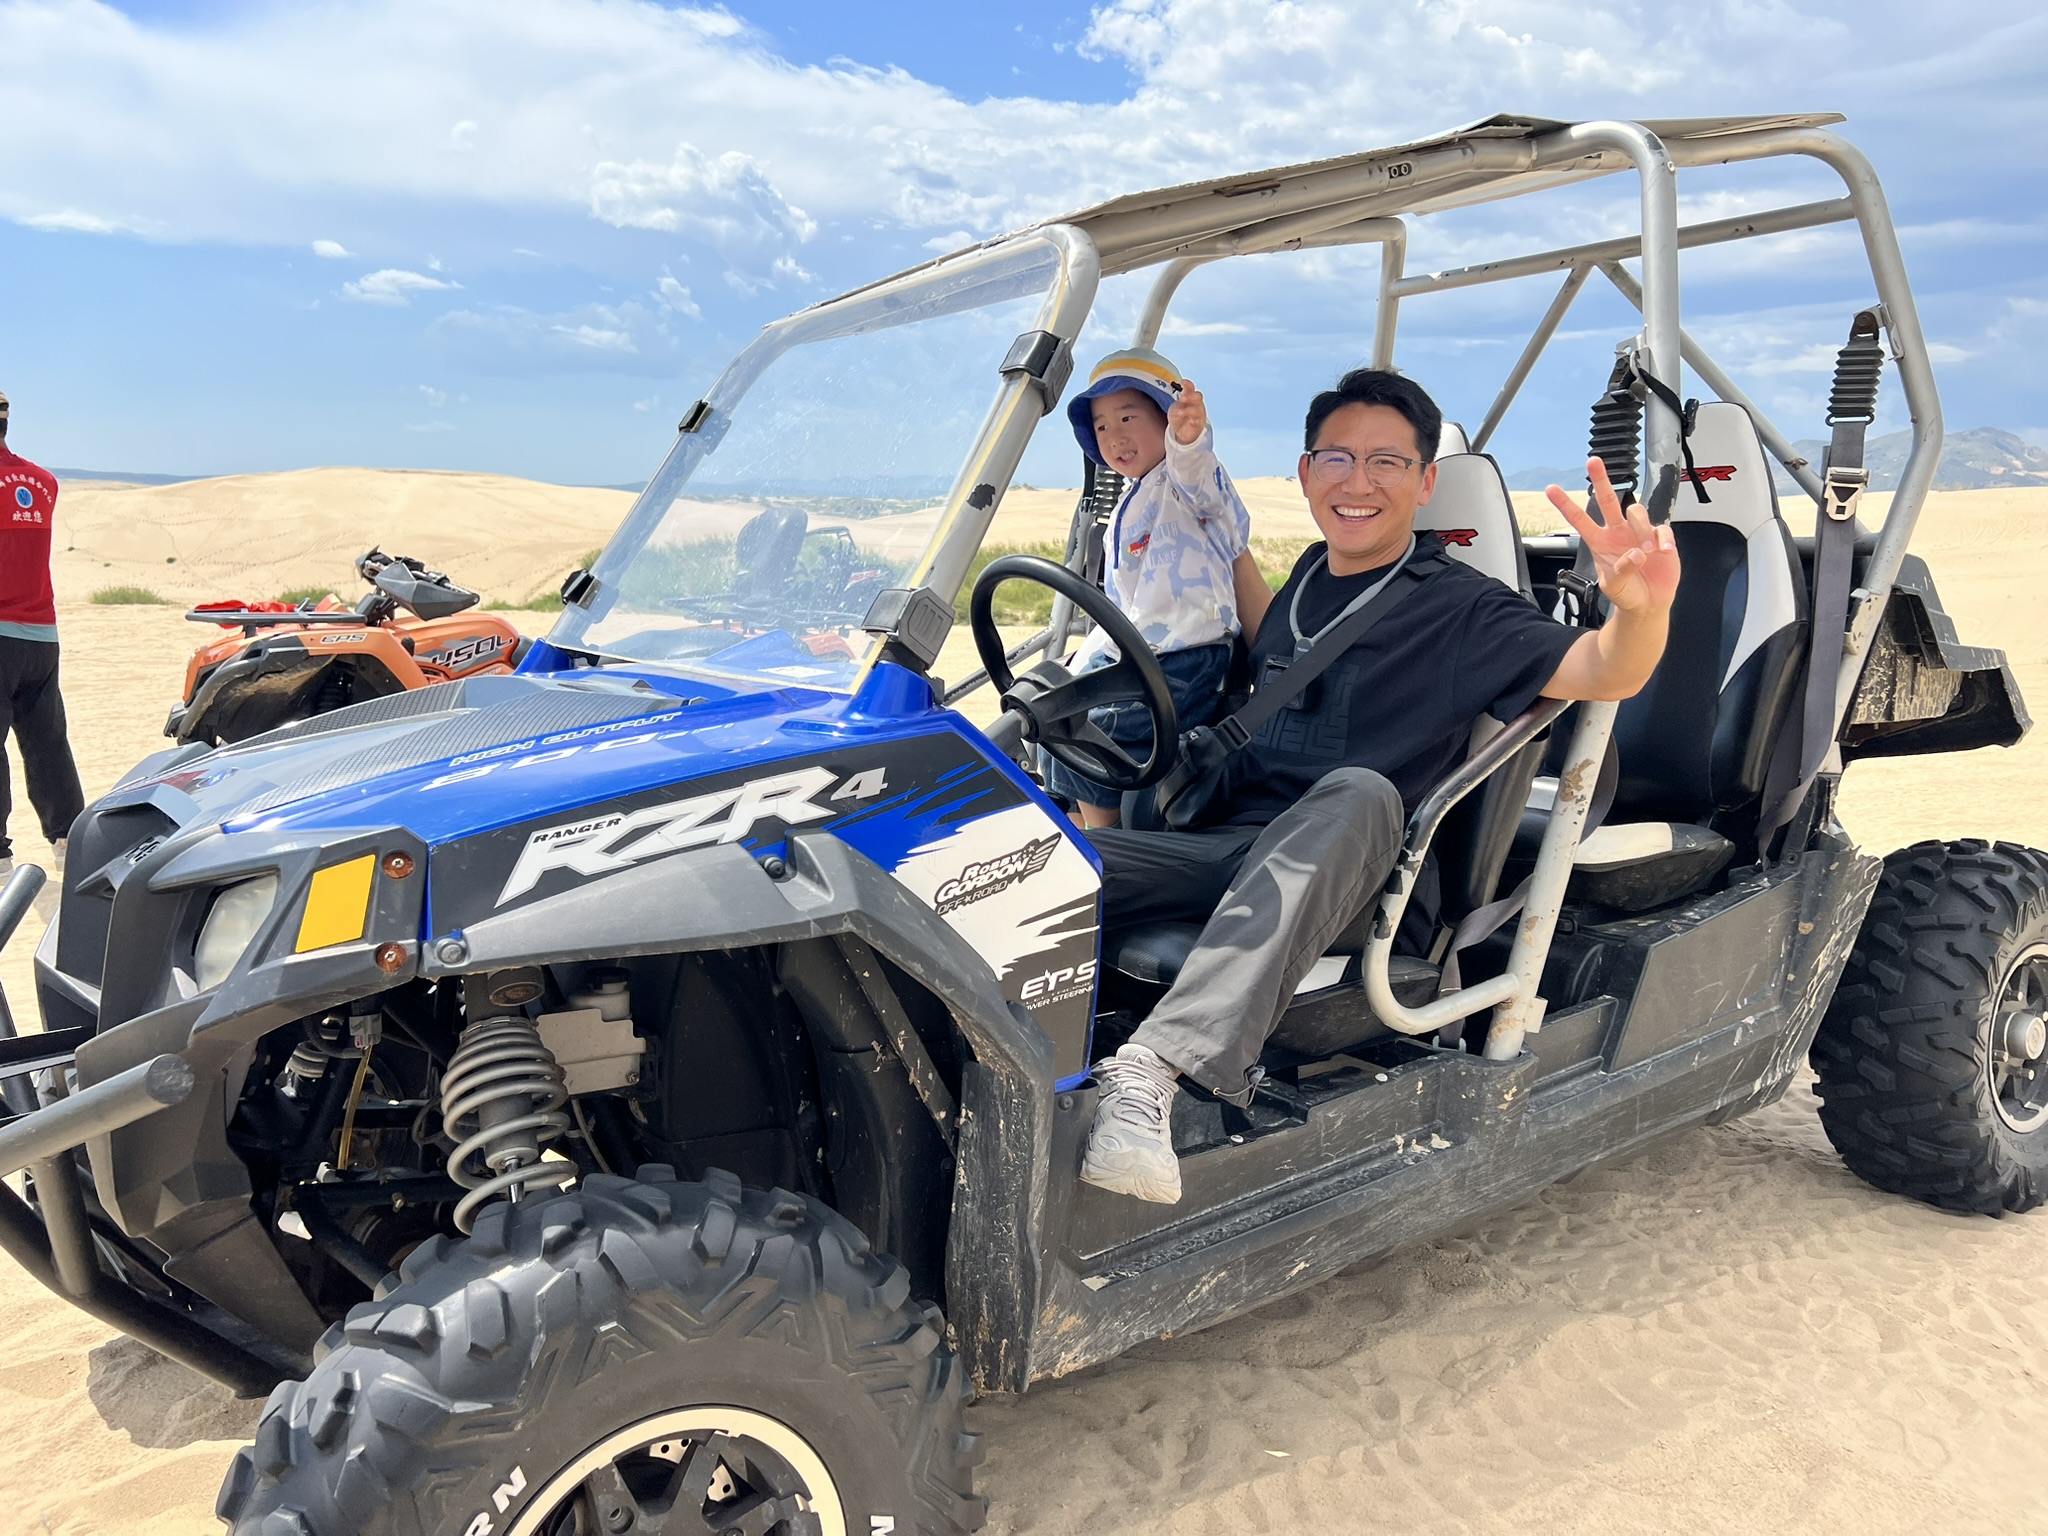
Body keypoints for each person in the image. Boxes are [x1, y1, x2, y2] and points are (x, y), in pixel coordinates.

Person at [1079, 367, 1681, 1203]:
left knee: (1360, 790)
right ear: (1306, 474)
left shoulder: (1465, 608)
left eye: (1387, 462)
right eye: (1337, 459)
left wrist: (1640, 611)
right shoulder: (1305, 582)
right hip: (1233, 851)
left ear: (1425, 482)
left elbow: (1605, 671)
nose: (1357, 483)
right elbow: (1247, 637)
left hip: (1362, 874)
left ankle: (1153, 1073)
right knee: (1033, 858)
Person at [1043, 347, 1272, 828]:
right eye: (1102, 426)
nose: (1115, 436)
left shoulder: (1183, 482)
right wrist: (1080, 664)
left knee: (1087, 730)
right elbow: (1123, 608)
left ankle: (1107, 840)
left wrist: (1187, 438)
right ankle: (1081, 826)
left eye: (1128, 417)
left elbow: (1197, 471)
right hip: (1142, 656)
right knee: (1048, 712)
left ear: (1166, 418)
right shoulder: (1128, 502)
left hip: (1188, 660)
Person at [0, 391, 86, 896]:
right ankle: (70, 842)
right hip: (41, 633)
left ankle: (0, 860)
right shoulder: (43, 481)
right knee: (47, 740)